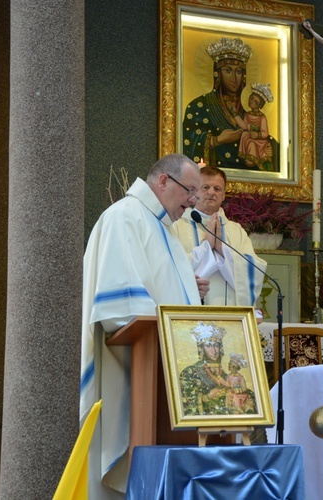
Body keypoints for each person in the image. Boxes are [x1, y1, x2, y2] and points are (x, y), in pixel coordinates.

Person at [79, 153, 210, 498]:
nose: (194, 202)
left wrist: (187, 290)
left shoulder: (164, 229)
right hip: (132, 370)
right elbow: (119, 310)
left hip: (162, 375)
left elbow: (154, 290)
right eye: (190, 191)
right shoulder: (125, 217)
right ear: (163, 181)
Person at [171, 166, 266, 309]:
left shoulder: (236, 231)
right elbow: (169, 267)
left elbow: (254, 271)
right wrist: (206, 247)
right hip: (189, 314)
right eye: (205, 187)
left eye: (217, 189)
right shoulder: (177, 226)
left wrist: (222, 250)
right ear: (194, 192)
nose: (211, 192)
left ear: (223, 195)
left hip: (230, 315)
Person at [182, 37, 279, 171]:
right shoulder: (199, 106)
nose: (234, 78)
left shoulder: (250, 107)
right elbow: (187, 139)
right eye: (228, 70)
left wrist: (270, 148)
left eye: (238, 72)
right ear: (218, 73)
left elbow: (265, 137)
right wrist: (216, 140)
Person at [179, 322, 257, 415]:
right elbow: (184, 399)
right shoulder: (190, 372)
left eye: (216, 345)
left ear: (220, 348)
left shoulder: (226, 373)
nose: (214, 351)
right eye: (208, 345)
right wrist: (207, 397)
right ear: (201, 349)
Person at [235, 82, 274, 170]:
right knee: (245, 135)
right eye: (251, 99)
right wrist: (235, 115)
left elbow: (265, 133)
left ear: (260, 105)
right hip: (249, 136)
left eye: (255, 102)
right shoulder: (247, 114)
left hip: (259, 141)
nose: (252, 102)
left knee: (252, 143)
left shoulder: (262, 117)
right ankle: (249, 158)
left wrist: (257, 135)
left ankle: (252, 159)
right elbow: (244, 127)